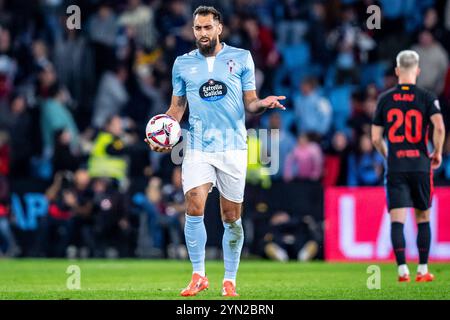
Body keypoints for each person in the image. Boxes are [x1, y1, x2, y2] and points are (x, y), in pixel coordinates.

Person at [144, 6, 285, 297]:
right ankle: (198, 275)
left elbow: (250, 102)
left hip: (233, 147)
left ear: (219, 28)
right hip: (197, 146)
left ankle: (229, 280)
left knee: (231, 218)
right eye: (198, 28)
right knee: (194, 208)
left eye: (208, 27)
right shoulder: (182, 64)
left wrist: (264, 103)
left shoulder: (241, 57)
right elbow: (177, 108)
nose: (203, 33)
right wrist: (162, 132)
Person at [371, 50, 445, 282]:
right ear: (418, 71)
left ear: (396, 71)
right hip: (421, 165)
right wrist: (438, 151)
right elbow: (440, 127)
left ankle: (402, 271)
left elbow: (375, 138)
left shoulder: (385, 98)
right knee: (423, 217)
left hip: (397, 166)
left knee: (397, 220)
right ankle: (422, 270)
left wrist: (387, 155)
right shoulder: (426, 96)